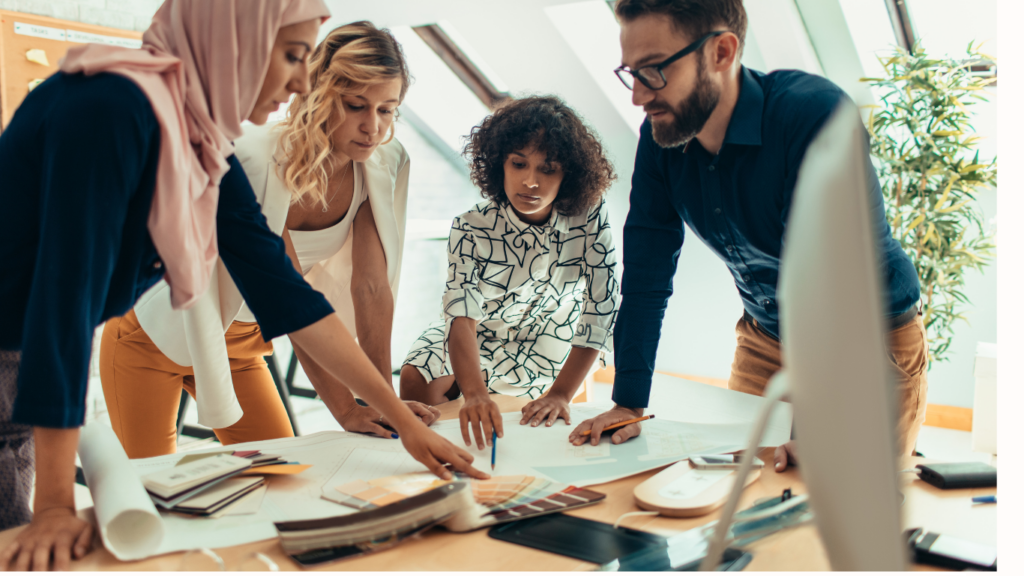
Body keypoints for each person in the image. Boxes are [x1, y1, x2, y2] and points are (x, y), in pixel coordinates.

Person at [0, 1, 483, 570]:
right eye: (294, 55)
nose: (303, 81)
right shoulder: (109, 109)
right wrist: (57, 504)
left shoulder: (200, 139)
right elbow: (63, 303)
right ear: (233, 41)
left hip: (22, 357)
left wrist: (402, 423)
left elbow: (286, 293)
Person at [569, 0, 927, 470]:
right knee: (739, 488)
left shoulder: (813, 115)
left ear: (721, 51)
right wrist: (628, 403)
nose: (639, 96)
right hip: (765, 335)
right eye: (631, 72)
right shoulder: (662, 138)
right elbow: (645, 275)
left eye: (654, 70)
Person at [99, 21, 436, 458]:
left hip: (240, 345)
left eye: (387, 109)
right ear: (318, 93)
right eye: (355, 105)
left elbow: (371, 288)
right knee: (151, 495)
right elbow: (291, 300)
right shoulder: (256, 157)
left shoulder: (384, 161)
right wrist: (349, 409)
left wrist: (379, 402)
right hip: (150, 337)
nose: (372, 126)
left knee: (282, 477)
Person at [400, 96, 620, 450]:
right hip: (481, 332)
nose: (530, 181)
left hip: (553, 335)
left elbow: (602, 305)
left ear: (569, 174)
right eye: (519, 164)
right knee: (415, 379)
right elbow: (462, 316)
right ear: (499, 163)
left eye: (547, 169)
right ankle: (448, 458)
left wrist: (563, 393)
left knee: (537, 421)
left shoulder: (590, 215)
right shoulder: (470, 228)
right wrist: (473, 394)